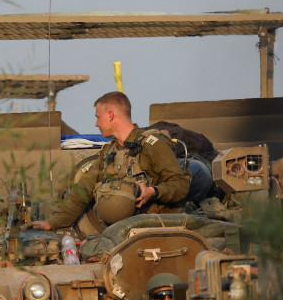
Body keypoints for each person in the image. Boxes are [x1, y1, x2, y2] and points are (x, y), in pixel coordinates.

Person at [31, 91, 191, 231]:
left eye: (98, 117)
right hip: (121, 230)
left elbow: (181, 184)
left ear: (111, 115)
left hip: (156, 228)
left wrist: (153, 192)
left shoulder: (152, 144)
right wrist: (50, 223)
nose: (96, 124)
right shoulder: (109, 152)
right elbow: (80, 194)